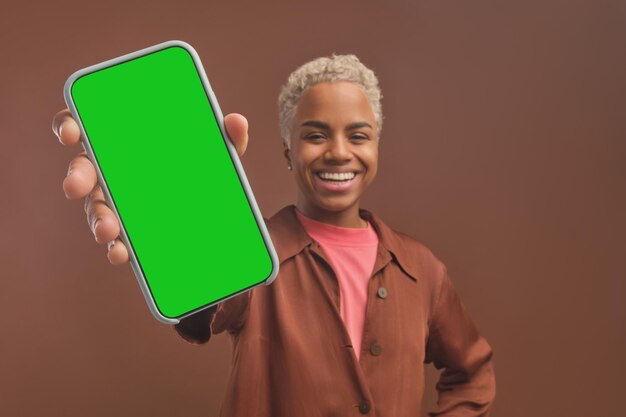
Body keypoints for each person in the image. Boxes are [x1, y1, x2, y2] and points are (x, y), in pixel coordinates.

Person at [52, 54, 496, 416]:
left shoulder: (421, 268)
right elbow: (201, 298)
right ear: (289, 150)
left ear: (376, 146)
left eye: (358, 135)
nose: (339, 152)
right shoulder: (248, 254)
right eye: (316, 135)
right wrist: (174, 221)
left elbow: (472, 372)